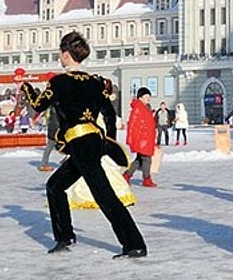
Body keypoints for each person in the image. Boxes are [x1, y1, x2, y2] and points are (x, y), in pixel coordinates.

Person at [21, 32, 147, 258]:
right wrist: (107, 142)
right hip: (92, 142)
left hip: (79, 144)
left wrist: (27, 88)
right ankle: (65, 236)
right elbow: (109, 115)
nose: (60, 57)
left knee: (104, 195)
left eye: (61, 53)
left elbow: (38, 105)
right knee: (55, 186)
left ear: (66, 55)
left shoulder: (59, 82)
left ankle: (134, 244)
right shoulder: (95, 83)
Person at [124, 88, 158, 187]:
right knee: (147, 159)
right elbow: (132, 124)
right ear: (140, 97)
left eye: (149, 96)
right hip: (141, 139)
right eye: (146, 96)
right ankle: (146, 179)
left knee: (139, 160)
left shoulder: (146, 108)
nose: (148, 98)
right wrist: (130, 139)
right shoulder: (138, 108)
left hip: (147, 139)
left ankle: (127, 175)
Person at [39, 107, 60, 172]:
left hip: (52, 130)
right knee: (49, 147)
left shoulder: (52, 112)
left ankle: (43, 164)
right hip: (54, 131)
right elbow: (56, 124)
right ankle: (43, 164)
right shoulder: (56, 113)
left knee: (49, 147)